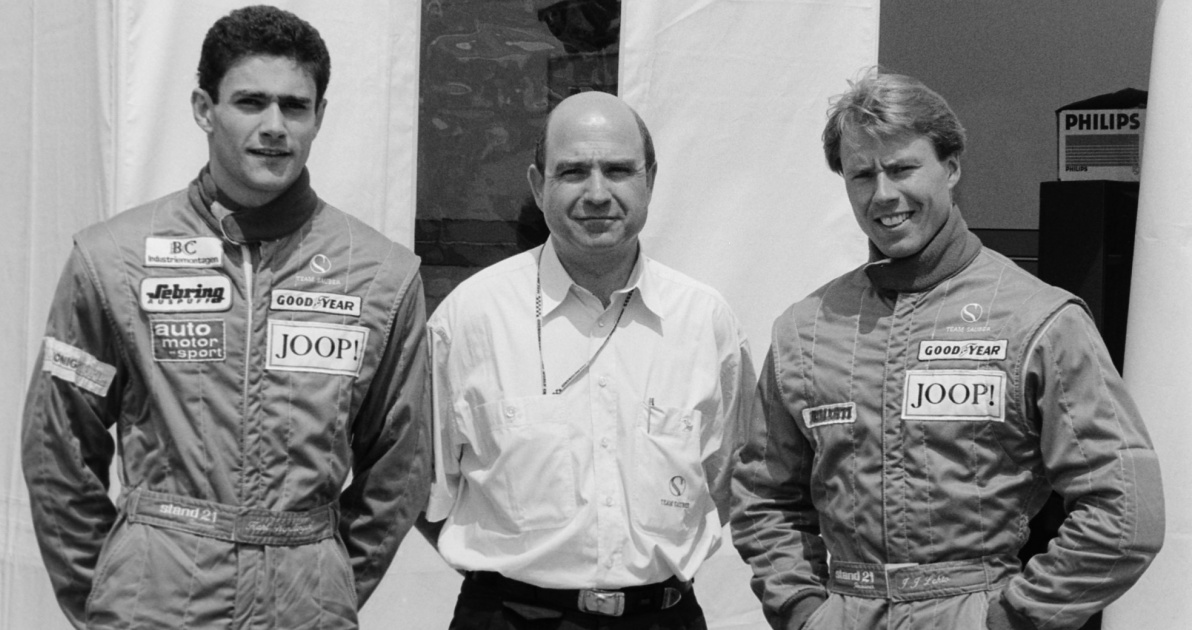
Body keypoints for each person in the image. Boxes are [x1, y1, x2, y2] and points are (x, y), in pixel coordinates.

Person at [20, 6, 430, 629]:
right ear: (203, 108)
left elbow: (400, 468)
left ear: (320, 115)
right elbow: (58, 447)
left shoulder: (381, 275)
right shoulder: (114, 259)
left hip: (305, 606)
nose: (275, 127)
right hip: (151, 605)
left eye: (295, 106)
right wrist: (110, 591)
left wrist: (325, 582)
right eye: (251, 102)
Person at [731, 70, 1164, 630]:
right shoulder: (807, 328)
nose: (883, 194)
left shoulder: (1037, 320)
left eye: (902, 168)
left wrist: (1014, 617)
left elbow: (1126, 511)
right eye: (862, 174)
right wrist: (802, 610)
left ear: (952, 167)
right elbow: (763, 498)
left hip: (971, 610)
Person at [425, 90, 756, 629]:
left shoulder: (705, 321)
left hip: (662, 619)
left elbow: (731, 481)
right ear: (538, 186)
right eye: (574, 171)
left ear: (650, 180)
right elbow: (424, 491)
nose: (598, 193)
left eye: (619, 170)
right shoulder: (470, 319)